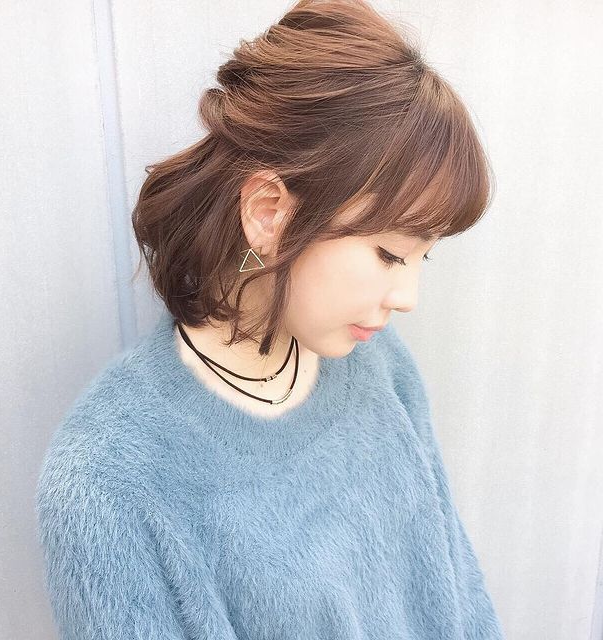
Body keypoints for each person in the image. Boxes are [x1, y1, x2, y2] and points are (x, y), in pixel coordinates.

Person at [35, 0, 504, 638]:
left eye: (425, 257)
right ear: (268, 212)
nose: (407, 297)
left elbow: (458, 586)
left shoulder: (379, 364)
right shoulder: (110, 475)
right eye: (391, 254)